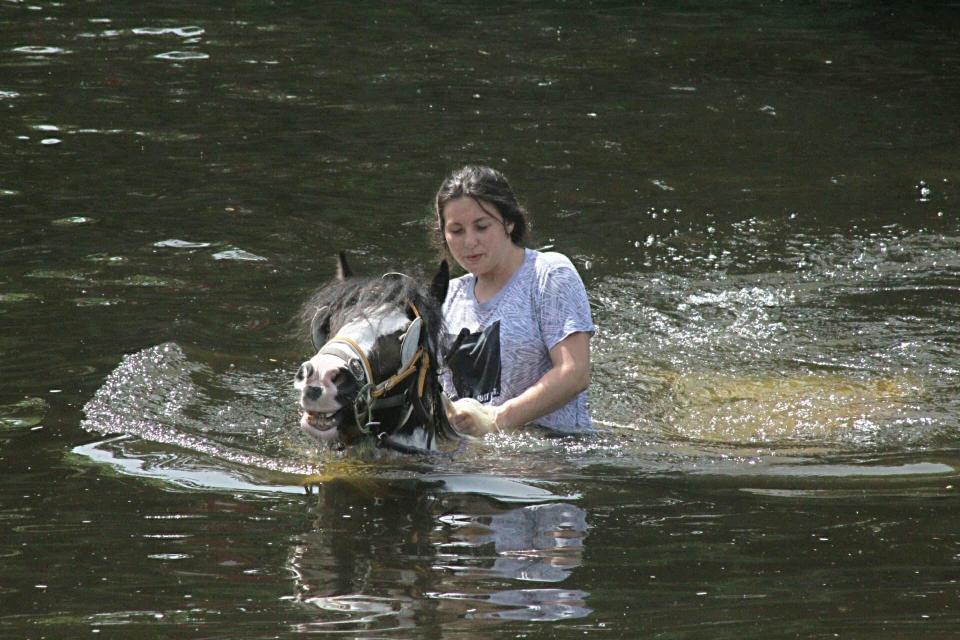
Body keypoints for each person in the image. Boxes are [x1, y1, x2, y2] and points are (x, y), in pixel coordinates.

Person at [433, 165, 594, 436]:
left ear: (509, 222)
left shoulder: (549, 274)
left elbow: (574, 372)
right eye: (456, 231)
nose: (469, 241)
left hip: (553, 456)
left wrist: (497, 419)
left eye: (481, 226)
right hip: (466, 462)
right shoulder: (445, 297)